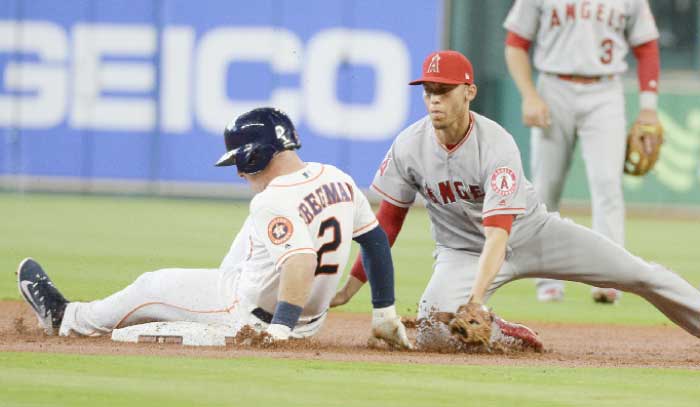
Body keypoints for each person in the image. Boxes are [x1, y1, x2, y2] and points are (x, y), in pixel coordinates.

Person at [331, 50, 700, 352]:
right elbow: (389, 223)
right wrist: (351, 286)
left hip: (532, 234)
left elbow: (498, 235)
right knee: (432, 334)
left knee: (638, 274)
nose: (434, 100)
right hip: (461, 252)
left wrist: (473, 302)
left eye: (444, 90)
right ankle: (505, 332)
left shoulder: (496, 144)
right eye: (428, 90)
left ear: (468, 91)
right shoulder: (409, 146)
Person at [17, 107, 411, 349]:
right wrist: (383, 312)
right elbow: (376, 241)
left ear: (257, 154)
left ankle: (67, 319)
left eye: (239, 160)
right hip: (313, 317)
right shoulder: (337, 178)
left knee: (151, 285)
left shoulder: (272, 199)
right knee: (253, 234)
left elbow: (302, 261)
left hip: (257, 317)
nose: (238, 172)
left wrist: (278, 332)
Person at [503, 0, 662, 303]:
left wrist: (648, 110)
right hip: (553, 86)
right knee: (546, 188)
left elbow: (647, 47)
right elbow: (515, 43)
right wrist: (529, 95)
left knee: (607, 186)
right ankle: (546, 280)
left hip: (605, 91)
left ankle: (611, 278)